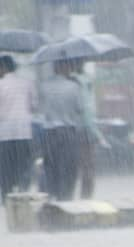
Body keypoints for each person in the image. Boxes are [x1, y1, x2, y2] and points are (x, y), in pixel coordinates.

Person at [38, 59, 87, 201]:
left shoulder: (44, 86)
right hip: (68, 132)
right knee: (69, 168)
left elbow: (40, 108)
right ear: (65, 67)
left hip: (49, 134)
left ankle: (52, 197)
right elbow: (80, 109)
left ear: (54, 68)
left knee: (51, 168)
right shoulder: (74, 87)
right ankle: (65, 199)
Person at [0, 55, 36, 203]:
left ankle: (7, 199)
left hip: (4, 134)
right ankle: (23, 197)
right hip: (24, 132)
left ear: (3, 67)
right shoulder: (27, 83)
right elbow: (33, 106)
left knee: (5, 170)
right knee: (23, 167)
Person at [71, 58, 107, 199]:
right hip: (84, 131)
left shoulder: (75, 80)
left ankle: (69, 196)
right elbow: (87, 111)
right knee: (88, 167)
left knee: (77, 167)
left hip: (73, 130)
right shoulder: (83, 82)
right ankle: (86, 197)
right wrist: (97, 134)